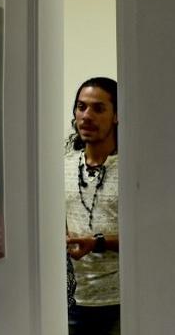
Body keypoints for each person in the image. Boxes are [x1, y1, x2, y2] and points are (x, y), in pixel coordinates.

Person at [65, 77, 120, 334]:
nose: (86, 116)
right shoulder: (61, 165)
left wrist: (97, 242)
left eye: (98, 108)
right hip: (74, 299)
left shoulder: (132, 168)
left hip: (120, 300)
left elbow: (146, 238)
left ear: (117, 116)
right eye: (81, 107)